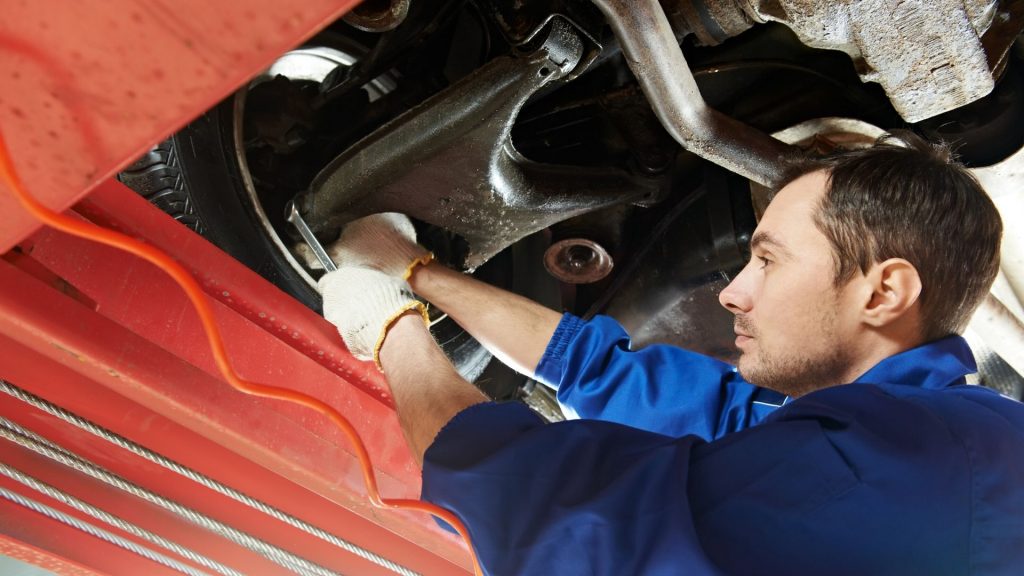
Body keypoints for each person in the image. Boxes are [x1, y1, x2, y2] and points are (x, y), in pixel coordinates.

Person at [318, 132, 1024, 575]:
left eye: (769, 262)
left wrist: (390, 328)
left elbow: (560, 516)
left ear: (885, 292)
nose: (734, 293)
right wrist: (415, 270)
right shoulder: (884, 436)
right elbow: (605, 376)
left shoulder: (916, 465)